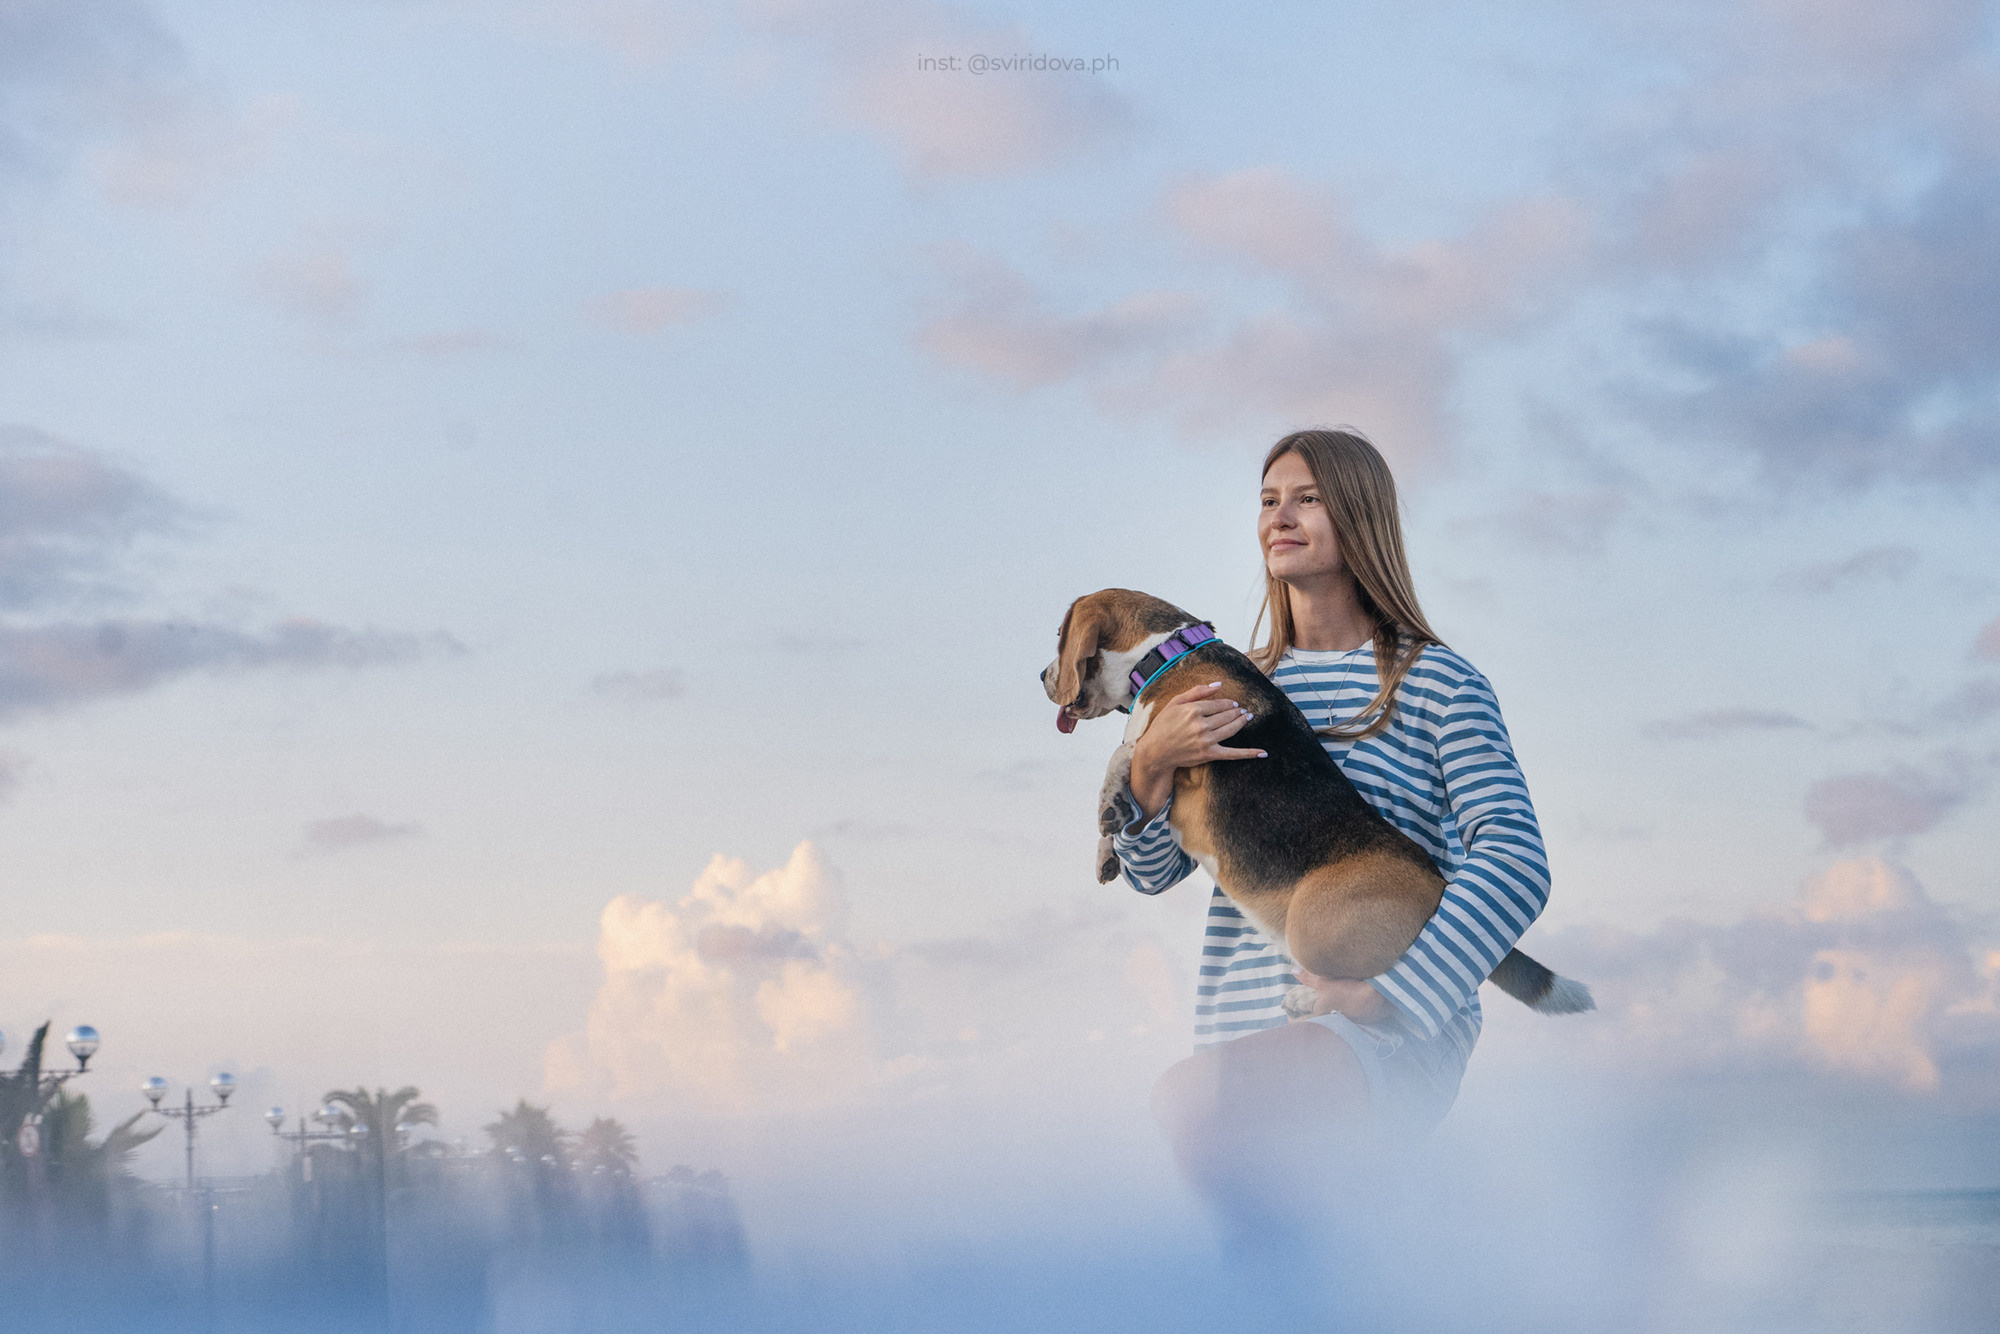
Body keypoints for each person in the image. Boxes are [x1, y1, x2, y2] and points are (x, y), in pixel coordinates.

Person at [1111, 428, 1551, 1235]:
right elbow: (1151, 872)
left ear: (1361, 516)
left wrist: (1400, 993)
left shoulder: (1437, 683)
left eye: (1307, 498)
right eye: (1269, 500)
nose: (1281, 515)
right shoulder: (1228, 681)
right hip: (1243, 1030)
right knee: (1281, 1267)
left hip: (1384, 1035)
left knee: (1188, 1107)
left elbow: (1516, 859)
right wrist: (1148, 768)